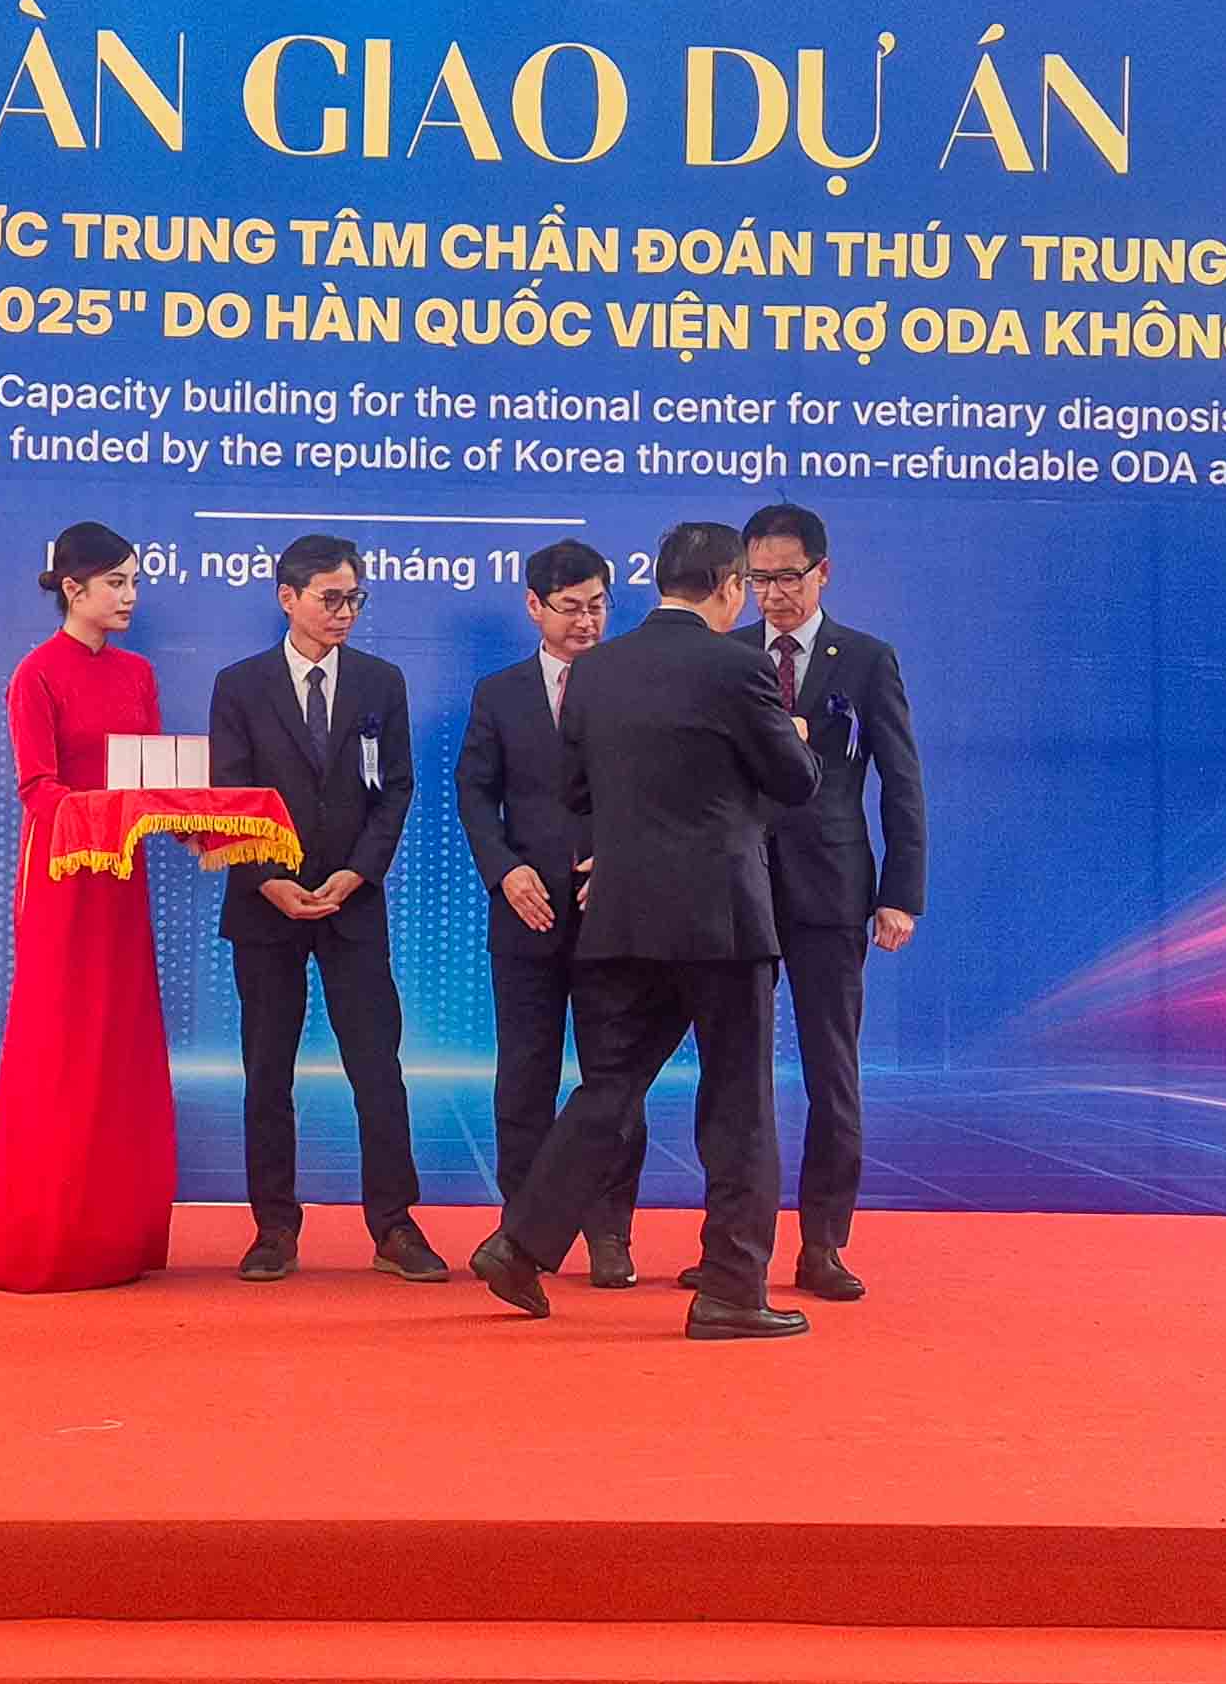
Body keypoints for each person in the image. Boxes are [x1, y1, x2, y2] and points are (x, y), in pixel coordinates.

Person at [469, 521, 816, 1340]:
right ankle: (731, 1289)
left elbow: (575, 793)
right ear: (729, 585)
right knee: (738, 1101)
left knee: (608, 1090)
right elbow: (794, 781)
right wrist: (793, 739)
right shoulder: (739, 665)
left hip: (620, 913)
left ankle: (518, 1244)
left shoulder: (597, 670)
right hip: (721, 918)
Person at [207, 534, 443, 1283]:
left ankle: (394, 1226)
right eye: (330, 598)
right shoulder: (239, 685)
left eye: (354, 599)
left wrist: (357, 873)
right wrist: (267, 878)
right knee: (267, 1071)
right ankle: (273, 1228)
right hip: (264, 906)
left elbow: (395, 789)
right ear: (288, 598)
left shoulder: (380, 681)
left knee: (377, 1068)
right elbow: (227, 793)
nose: (345, 612)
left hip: (352, 902)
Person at [0, 522, 176, 1292]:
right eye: (116, 583)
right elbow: (37, 789)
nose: (129, 597)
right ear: (71, 588)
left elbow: (152, 777)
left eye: (134, 582)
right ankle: (39, 1227)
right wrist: (105, 815)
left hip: (121, 876)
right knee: (58, 1041)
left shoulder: (138, 673)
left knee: (120, 1038)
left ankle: (113, 1231)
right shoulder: (36, 674)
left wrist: (192, 813)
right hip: (61, 875)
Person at [738, 501, 928, 1302]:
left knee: (831, 1071)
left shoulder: (866, 659)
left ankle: (822, 1243)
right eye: (758, 580)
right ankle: (734, 1246)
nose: (774, 595)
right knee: (736, 1075)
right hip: (739, 886)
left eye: (787, 577)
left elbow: (901, 780)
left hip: (832, 888)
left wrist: (899, 893)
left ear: (823, 572)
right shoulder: (727, 656)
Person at [453, 538, 641, 1287]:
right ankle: (522, 1230)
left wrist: (620, 860)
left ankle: (610, 1234)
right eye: (570, 608)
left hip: (613, 912)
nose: (586, 621)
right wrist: (504, 871)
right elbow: (474, 794)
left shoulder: (631, 683)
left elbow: (657, 787)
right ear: (534, 606)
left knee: (613, 1079)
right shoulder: (498, 693)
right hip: (523, 911)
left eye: (598, 606)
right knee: (524, 1079)